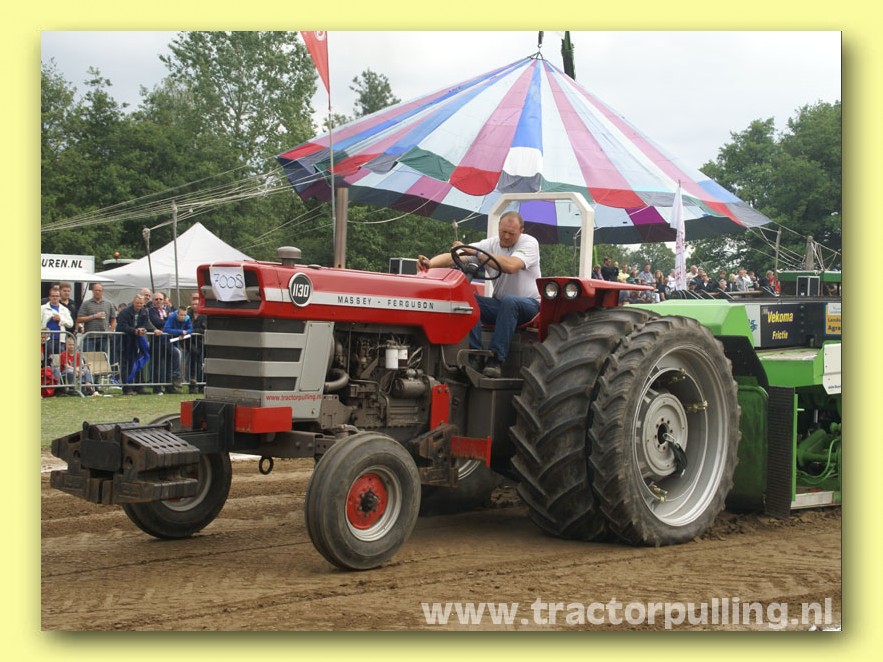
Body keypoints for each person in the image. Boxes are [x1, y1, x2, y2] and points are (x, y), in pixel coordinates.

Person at [417, 211, 541, 378]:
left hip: (530, 306)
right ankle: (475, 354)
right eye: (503, 231)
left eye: (511, 233)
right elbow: (455, 256)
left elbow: (511, 266)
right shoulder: (490, 244)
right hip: (501, 305)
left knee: (510, 302)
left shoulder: (529, 243)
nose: (506, 236)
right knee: (467, 300)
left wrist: (476, 253)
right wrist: (430, 264)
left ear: (521, 231)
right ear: (499, 227)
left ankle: (495, 359)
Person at [116, 294, 159, 395]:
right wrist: (135, 331)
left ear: (143, 303)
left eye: (141, 303)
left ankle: (138, 386)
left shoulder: (144, 311)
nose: (139, 305)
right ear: (133, 302)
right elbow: (122, 326)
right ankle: (127, 388)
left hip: (137, 340)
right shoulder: (125, 312)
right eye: (137, 303)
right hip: (125, 341)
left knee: (138, 362)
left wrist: (152, 329)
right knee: (127, 364)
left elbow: (145, 323)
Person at [77, 283, 117, 354]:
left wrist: (110, 331)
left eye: (99, 290)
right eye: (96, 290)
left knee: (103, 358)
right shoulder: (86, 304)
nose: (97, 292)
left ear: (102, 291)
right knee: (89, 358)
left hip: (104, 337)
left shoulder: (109, 304)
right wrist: (94, 316)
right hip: (89, 337)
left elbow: (113, 319)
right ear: (93, 291)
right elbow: (79, 319)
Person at [40, 286, 74, 359]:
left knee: (60, 359)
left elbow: (70, 324)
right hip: (47, 339)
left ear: (59, 297)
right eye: (53, 296)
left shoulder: (64, 309)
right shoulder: (42, 308)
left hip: (60, 339)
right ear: (49, 297)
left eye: (57, 296)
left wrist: (60, 319)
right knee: (47, 359)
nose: (55, 298)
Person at [187, 291, 206, 392]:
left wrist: (192, 331)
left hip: (201, 343)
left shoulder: (204, 315)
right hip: (188, 343)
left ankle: (201, 384)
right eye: (193, 303)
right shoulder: (187, 314)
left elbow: (204, 328)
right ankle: (192, 386)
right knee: (191, 364)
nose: (195, 306)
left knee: (201, 364)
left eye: (196, 303)